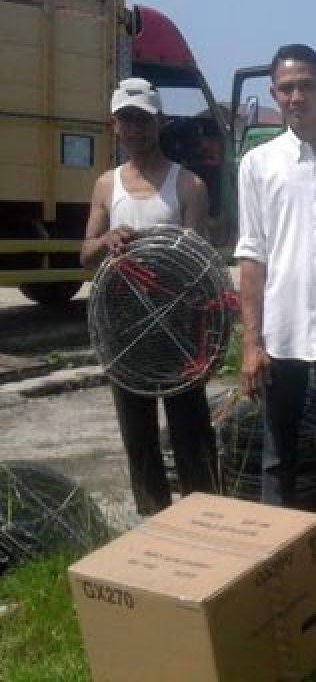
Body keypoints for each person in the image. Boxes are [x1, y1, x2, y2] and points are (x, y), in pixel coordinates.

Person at [234, 44, 316, 575]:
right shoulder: (258, 165)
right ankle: (279, 553)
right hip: (285, 333)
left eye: (306, 85)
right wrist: (251, 342)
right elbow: (252, 256)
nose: (296, 96)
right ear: (273, 95)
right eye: (286, 88)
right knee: (278, 452)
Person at [81, 77, 218, 516]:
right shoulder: (107, 186)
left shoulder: (189, 185)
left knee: (191, 430)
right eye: (127, 121)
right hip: (125, 330)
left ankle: (204, 516)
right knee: (138, 437)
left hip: (178, 329)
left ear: (158, 122)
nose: (135, 129)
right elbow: (85, 253)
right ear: (115, 126)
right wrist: (106, 241)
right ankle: (153, 521)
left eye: (143, 119)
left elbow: (202, 262)